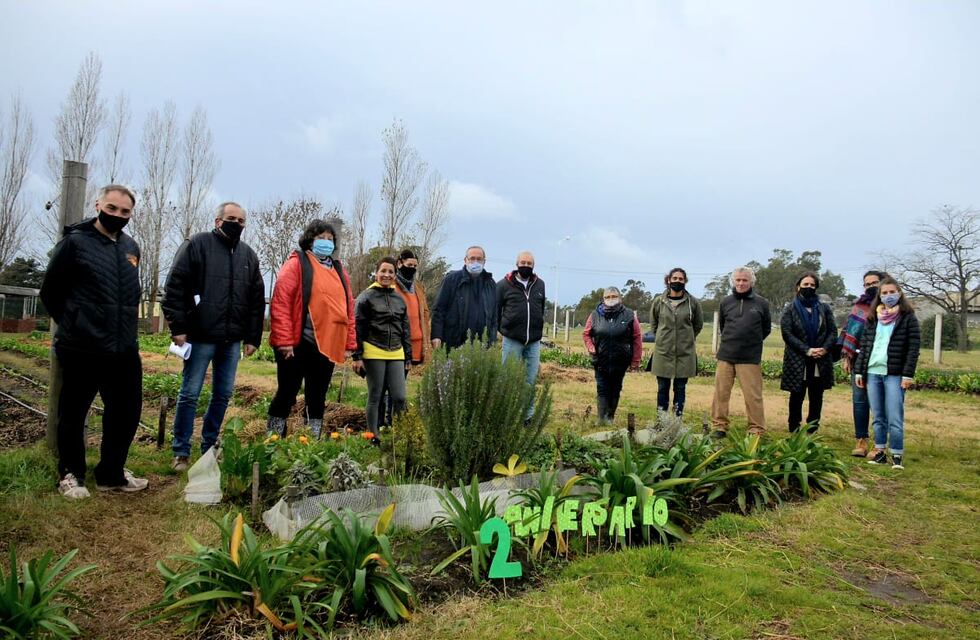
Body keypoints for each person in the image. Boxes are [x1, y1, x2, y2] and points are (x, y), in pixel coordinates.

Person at [39, 185, 149, 498]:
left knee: (126, 412)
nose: (117, 215)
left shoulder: (131, 248)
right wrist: (75, 324)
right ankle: (71, 474)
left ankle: (111, 473)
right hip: (82, 346)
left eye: (125, 212)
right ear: (98, 204)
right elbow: (51, 292)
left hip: (123, 347)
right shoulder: (75, 243)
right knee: (74, 413)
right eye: (112, 208)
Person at [162, 202, 265, 471]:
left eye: (241, 221)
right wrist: (178, 327)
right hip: (199, 336)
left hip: (231, 340)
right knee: (190, 394)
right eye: (232, 218)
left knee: (223, 395)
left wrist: (252, 337)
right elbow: (174, 286)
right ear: (218, 220)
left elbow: (256, 301)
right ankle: (181, 451)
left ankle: (209, 446)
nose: (237, 224)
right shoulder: (197, 245)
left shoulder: (248, 256)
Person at [267, 220, 356, 438]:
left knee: (317, 396)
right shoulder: (297, 264)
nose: (326, 242)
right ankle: (274, 436)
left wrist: (349, 343)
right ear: (310, 240)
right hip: (298, 343)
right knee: (287, 392)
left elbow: (348, 307)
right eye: (320, 238)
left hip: (326, 345)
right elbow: (281, 303)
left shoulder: (338, 270)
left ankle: (311, 440)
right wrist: (284, 341)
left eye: (329, 239)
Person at [854, 276, 920, 470]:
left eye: (892, 292)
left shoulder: (907, 318)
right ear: (880, 296)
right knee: (878, 415)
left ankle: (897, 454)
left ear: (899, 293)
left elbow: (913, 348)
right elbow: (865, 345)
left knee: (894, 416)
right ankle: (880, 451)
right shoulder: (874, 318)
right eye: (885, 293)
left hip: (894, 374)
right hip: (873, 372)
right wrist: (860, 371)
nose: (889, 296)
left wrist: (908, 374)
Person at [710, 266, 772, 437]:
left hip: (750, 357)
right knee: (721, 393)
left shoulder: (762, 303)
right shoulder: (726, 302)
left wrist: (750, 342)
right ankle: (719, 426)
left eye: (744, 280)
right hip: (726, 355)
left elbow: (765, 329)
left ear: (751, 282)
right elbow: (723, 326)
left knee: (753, 396)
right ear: (733, 281)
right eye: (738, 280)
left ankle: (756, 428)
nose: (741, 283)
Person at [353, 257, 412, 431]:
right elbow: (357, 327)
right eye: (383, 271)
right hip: (373, 350)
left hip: (396, 352)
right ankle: (373, 435)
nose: (386, 275)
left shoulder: (400, 299)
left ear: (395, 274)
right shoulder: (365, 297)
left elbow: (405, 329)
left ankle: (401, 435)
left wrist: (408, 356)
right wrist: (357, 356)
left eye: (390, 272)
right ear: (376, 273)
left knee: (400, 397)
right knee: (375, 396)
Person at [780, 272, 837, 433]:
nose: (809, 287)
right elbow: (787, 334)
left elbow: (832, 331)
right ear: (798, 287)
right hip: (798, 359)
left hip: (820, 358)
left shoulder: (824, 309)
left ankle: (813, 427)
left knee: (816, 395)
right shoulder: (790, 309)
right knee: (796, 395)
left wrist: (824, 349)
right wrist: (807, 350)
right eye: (806, 285)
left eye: (812, 285)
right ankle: (794, 427)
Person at [379, 249, 432, 426]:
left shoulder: (417, 288)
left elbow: (424, 313)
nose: (412, 269)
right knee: (387, 385)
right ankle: (382, 421)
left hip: (413, 344)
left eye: (415, 266)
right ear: (400, 263)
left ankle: (394, 421)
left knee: (400, 384)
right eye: (409, 265)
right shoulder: (391, 285)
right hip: (394, 343)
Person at [837, 270, 884, 456]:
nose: (871, 286)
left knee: (879, 403)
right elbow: (850, 332)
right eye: (867, 284)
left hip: (881, 362)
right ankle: (861, 440)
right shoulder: (859, 308)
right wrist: (847, 356)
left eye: (875, 283)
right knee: (859, 401)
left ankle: (879, 443)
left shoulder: (891, 307)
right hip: (859, 360)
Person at [497, 251, 547, 420]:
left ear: (533, 266)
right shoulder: (504, 285)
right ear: (517, 264)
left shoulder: (540, 284)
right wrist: (502, 329)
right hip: (512, 339)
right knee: (509, 377)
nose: (526, 266)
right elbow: (496, 311)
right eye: (523, 262)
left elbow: (540, 308)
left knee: (530, 380)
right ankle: (506, 413)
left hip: (533, 341)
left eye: (529, 263)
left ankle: (528, 416)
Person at [583, 287, 643, 424]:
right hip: (601, 360)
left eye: (614, 296)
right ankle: (601, 418)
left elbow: (637, 338)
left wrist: (635, 360)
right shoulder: (594, 315)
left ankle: (610, 417)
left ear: (620, 298)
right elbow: (586, 334)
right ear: (603, 299)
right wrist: (591, 347)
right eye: (608, 297)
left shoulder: (629, 315)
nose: (611, 299)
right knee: (602, 388)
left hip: (620, 360)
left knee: (615, 388)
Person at [649, 267, 703, 417]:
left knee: (680, 388)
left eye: (681, 279)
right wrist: (663, 338)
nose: (677, 281)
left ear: (685, 281)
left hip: (684, 354)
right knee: (662, 388)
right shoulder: (659, 302)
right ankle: (662, 420)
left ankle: (676, 421)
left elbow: (697, 325)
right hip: (663, 353)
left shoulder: (693, 303)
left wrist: (686, 339)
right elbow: (654, 325)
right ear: (668, 280)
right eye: (675, 279)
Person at [430, 246, 498, 351]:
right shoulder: (451, 280)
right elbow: (439, 309)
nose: (475, 262)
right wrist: (436, 335)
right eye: (472, 258)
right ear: (465, 260)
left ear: (484, 261)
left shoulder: (490, 284)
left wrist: (492, 339)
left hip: (482, 346)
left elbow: (494, 316)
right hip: (454, 343)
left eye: (479, 259)